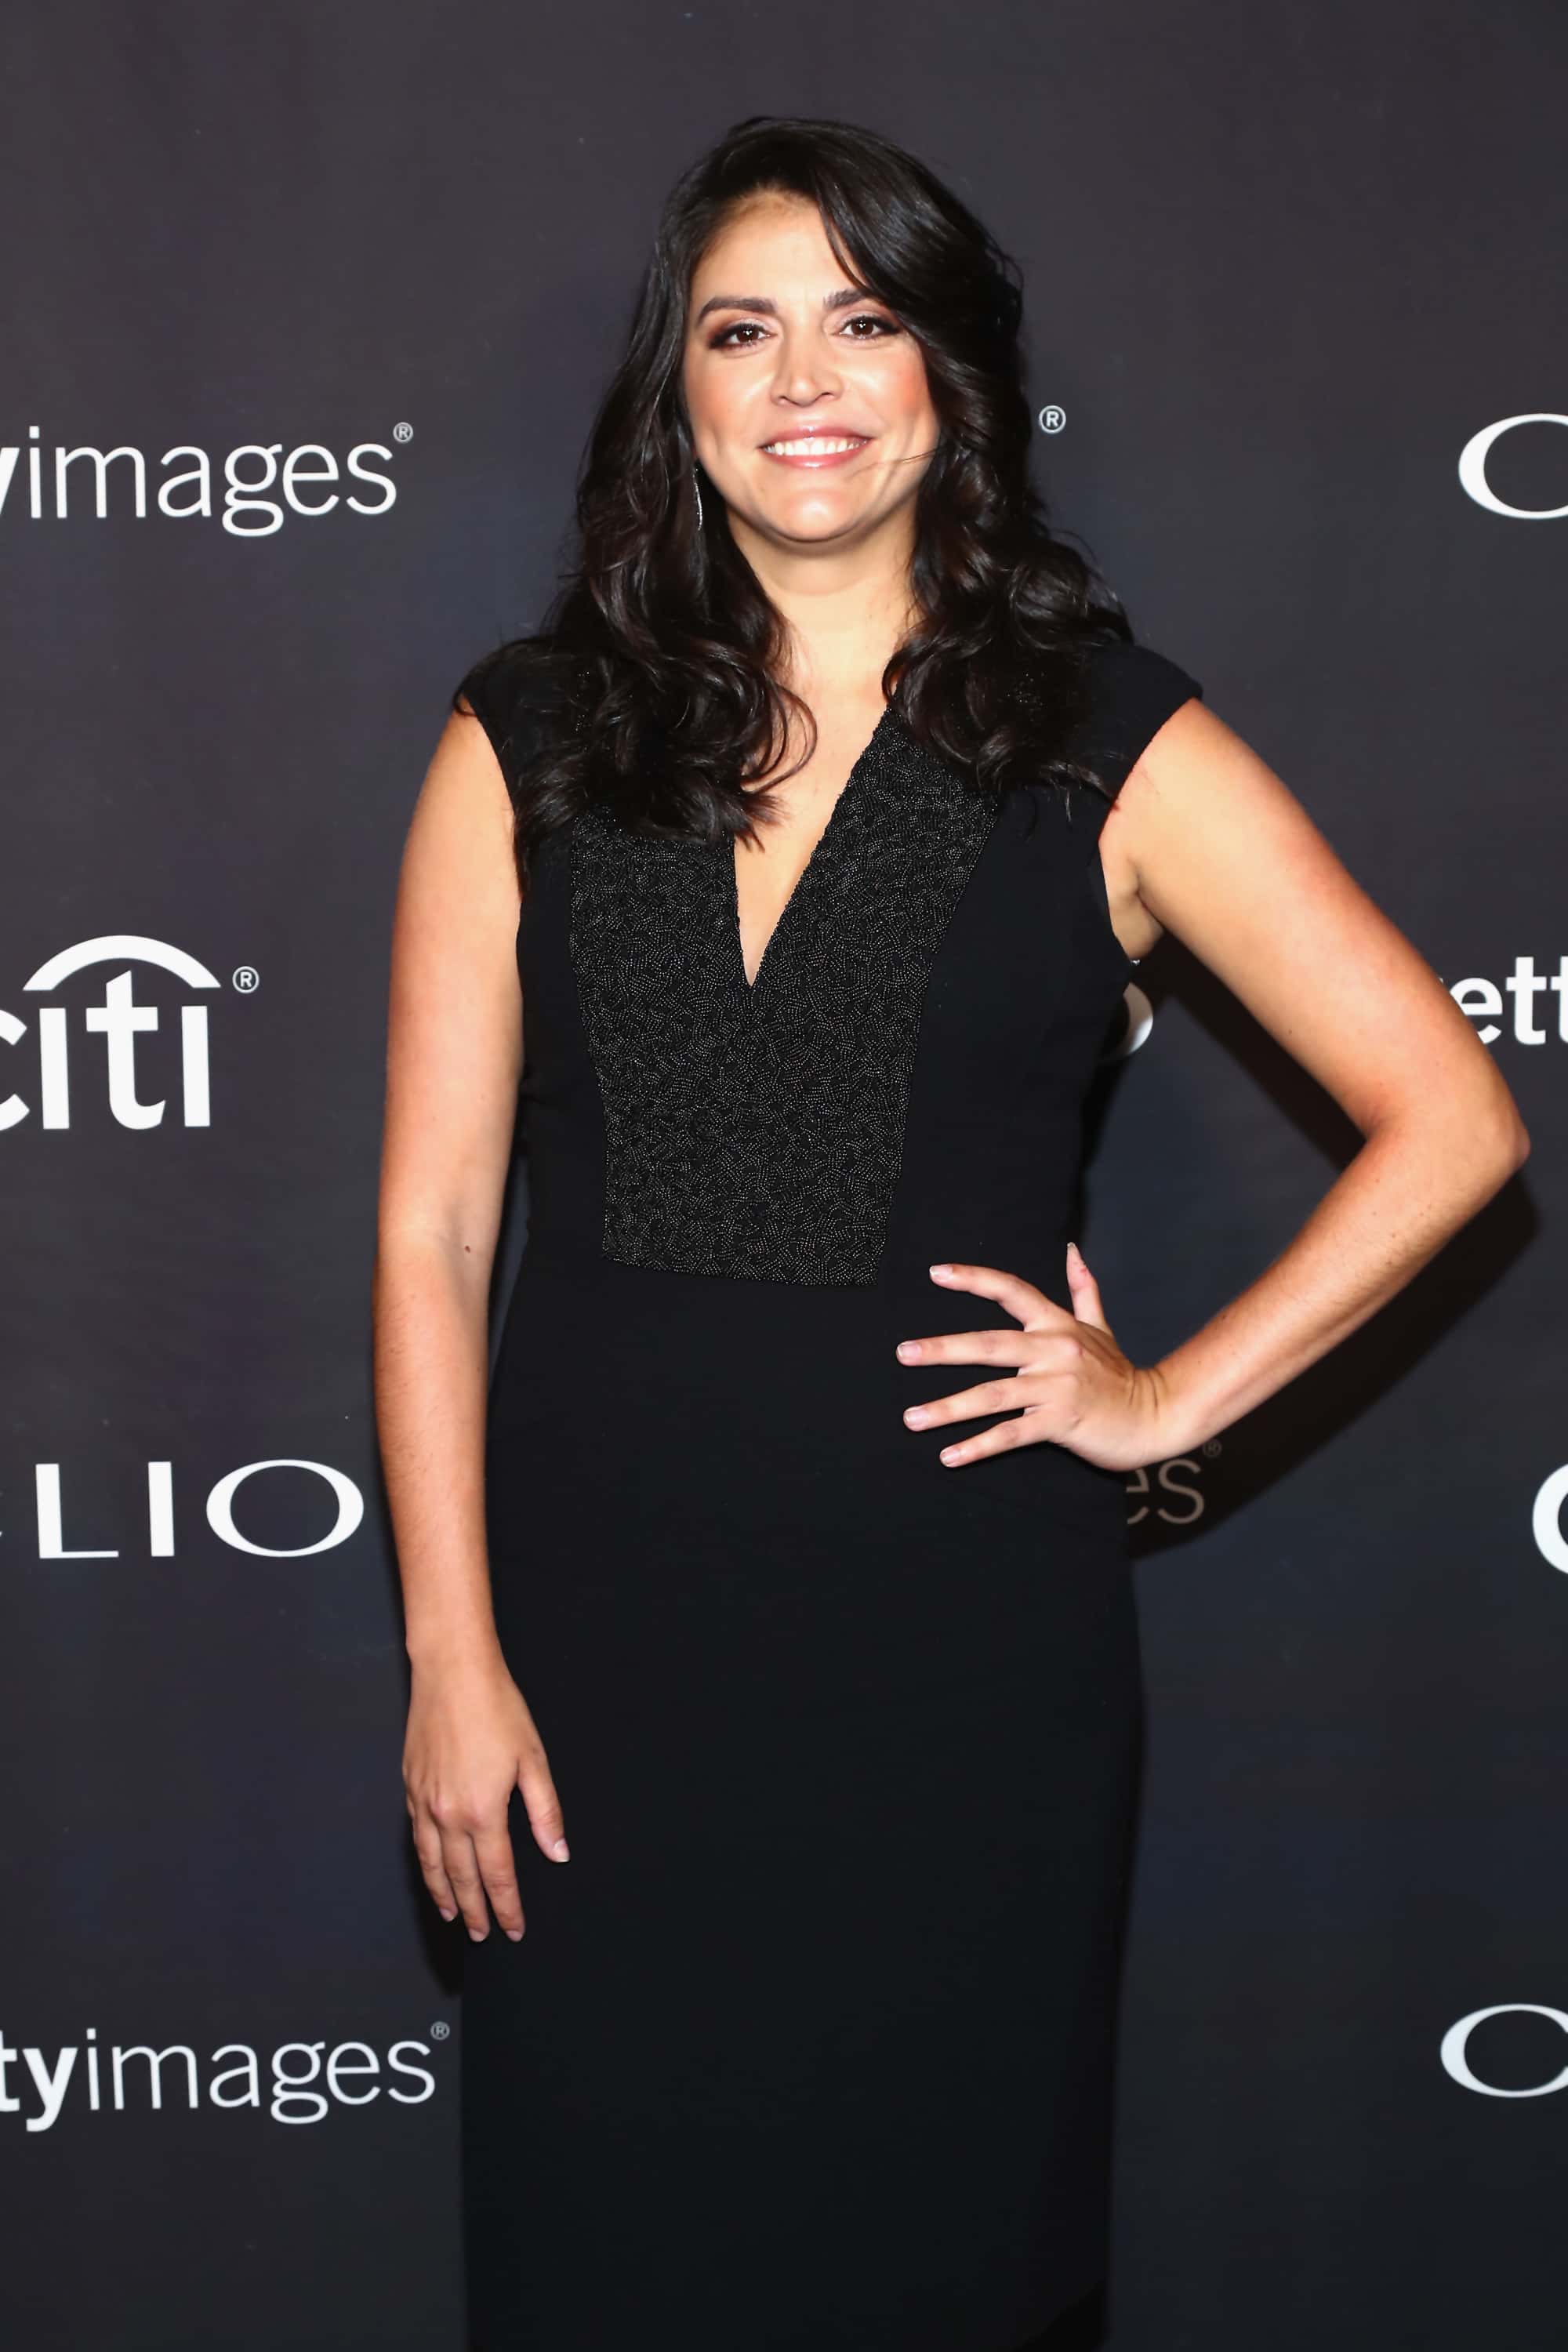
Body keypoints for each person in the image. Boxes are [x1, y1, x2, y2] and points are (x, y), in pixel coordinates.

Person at [372, 114, 1528, 2352]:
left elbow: (1454, 1116)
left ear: (951, 378)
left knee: (945, 2275)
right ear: (679, 390)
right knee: (606, 2269)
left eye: (865, 321)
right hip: (592, 1679)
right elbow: (430, 1227)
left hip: (958, 1675)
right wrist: (449, 1655)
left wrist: (1165, 1396)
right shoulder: (529, 737)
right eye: (744, 330)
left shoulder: (1099, 738)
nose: (806, 380)